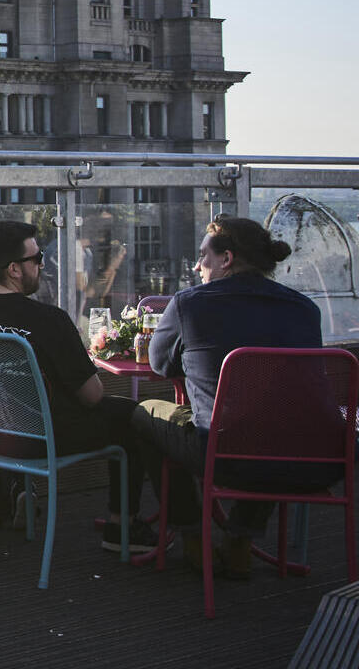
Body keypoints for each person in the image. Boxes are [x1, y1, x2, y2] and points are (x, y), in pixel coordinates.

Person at [132, 216, 334, 578]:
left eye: (203, 257)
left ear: (226, 259)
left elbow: (160, 364)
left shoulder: (190, 304)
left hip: (224, 459)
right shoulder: (306, 309)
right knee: (270, 418)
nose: (197, 266)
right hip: (316, 459)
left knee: (144, 413)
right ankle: (240, 540)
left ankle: (193, 534)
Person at [0, 220, 147, 551]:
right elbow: (93, 395)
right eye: (36, 259)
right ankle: (121, 526)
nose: (41, 265)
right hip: (44, 441)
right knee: (134, 417)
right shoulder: (48, 320)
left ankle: (19, 488)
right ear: (13, 269)